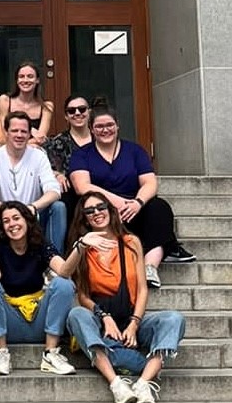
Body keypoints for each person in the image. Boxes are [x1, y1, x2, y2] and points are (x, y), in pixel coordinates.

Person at [66, 192, 186, 403]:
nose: (96, 213)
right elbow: (82, 295)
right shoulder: (84, 246)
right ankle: (116, 383)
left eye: (101, 207)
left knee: (174, 319)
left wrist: (134, 323)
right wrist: (104, 318)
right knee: (76, 315)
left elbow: (142, 289)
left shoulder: (131, 242)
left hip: (130, 317)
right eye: (89, 211)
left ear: (110, 209)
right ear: (84, 218)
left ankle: (144, 382)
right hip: (101, 321)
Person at [0, 201, 97, 376]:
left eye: (16, 218)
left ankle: (50, 354)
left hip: (40, 321)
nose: (12, 224)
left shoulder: (40, 244)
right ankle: (2, 353)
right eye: (6, 221)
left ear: (27, 220)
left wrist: (80, 247)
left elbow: (64, 270)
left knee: (63, 283)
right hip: (9, 324)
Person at [69, 102, 196, 289]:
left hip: (133, 209)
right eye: (99, 126)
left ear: (117, 126)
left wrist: (137, 202)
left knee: (159, 207)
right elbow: (82, 186)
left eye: (109, 125)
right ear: (91, 129)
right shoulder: (82, 154)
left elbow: (150, 182)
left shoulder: (134, 151)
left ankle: (150, 267)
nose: (105, 130)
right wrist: (117, 203)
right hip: (101, 210)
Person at [0, 111, 66, 252]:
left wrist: (33, 207)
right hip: (3, 218)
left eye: (24, 131)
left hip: (33, 217)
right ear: (6, 132)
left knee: (58, 207)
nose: (19, 135)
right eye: (14, 131)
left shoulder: (39, 155)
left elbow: (54, 191)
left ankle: (54, 263)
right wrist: (4, 209)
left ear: (30, 134)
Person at [43, 95, 93, 222]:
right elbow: (46, 168)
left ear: (89, 112)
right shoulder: (57, 142)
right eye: (71, 111)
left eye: (82, 109)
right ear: (66, 116)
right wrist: (56, 174)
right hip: (71, 195)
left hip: (99, 189)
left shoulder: (100, 138)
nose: (77, 113)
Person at [0, 61, 54, 145]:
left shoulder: (46, 106)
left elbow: (41, 138)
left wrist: (20, 144)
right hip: (10, 149)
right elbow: (4, 133)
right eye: (21, 77)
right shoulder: (5, 100)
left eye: (30, 76)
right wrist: (33, 132)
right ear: (17, 80)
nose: (25, 80)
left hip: (34, 150)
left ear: (37, 80)